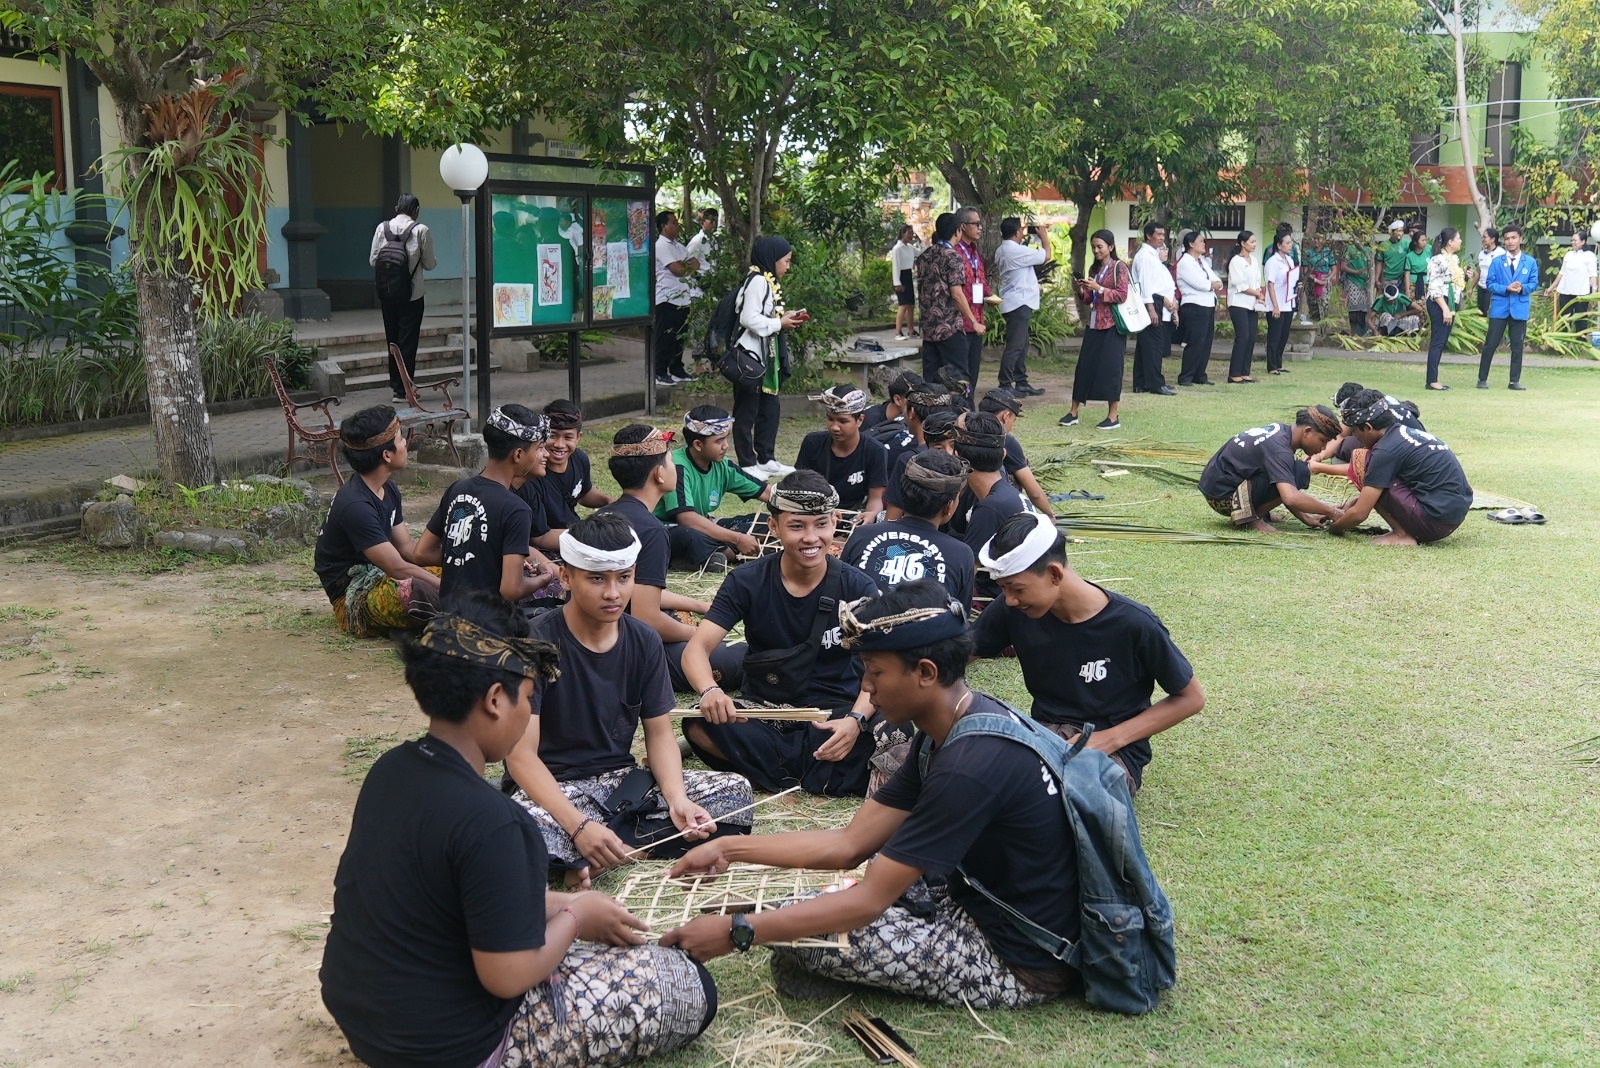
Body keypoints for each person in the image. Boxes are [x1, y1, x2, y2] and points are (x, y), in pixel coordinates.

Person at [662, 582, 1160, 1012]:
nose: (866, 689)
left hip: (1021, 958)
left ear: (925, 672)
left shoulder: (970, 764)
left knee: (806, 935)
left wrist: (737, 933)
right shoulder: (951, 723)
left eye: (875, 672)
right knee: (814, 906)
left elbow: (869, 901)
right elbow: (850, 844)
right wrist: (729, 849)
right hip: (984, 900)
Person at [320, 594, 717, 1068]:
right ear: (494, 700)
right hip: (447, 1048)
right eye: (528, 698)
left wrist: (569, 904)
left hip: (365, 1019)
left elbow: (450, 899)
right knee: (686, 983)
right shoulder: (498, 823)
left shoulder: (391, 770)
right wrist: (575, 920)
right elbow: (506, 976)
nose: (529, 711)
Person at [502, 513, 754, 887]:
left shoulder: (644, 640)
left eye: (624, 578)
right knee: (514, 826)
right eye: (597, 579)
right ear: (567, 577)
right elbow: (520, 756)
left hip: (623, 787)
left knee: (735, 791)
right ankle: (612, 846)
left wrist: (677, 799)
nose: (613, 593)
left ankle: (602, 854)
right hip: (554, 790)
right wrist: (578, 826)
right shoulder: (533, 643)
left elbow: (659, 734)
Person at [679, 471, 883, 797]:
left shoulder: (858, 586)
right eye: (797, 526)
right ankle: (816, 773)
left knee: (891, 729)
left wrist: (856, 720)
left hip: (836, 713)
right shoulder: (746, 580)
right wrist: (709, 691)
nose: (811, 537)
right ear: (774, 527)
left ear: (835, 522)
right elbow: (696, 650)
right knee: (700, 724)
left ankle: (769, 772)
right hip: (766, 711)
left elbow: (883, 666)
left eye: (821, 524)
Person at [973, 512, 1204, 792]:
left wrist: (1109, 739)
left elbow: (1191, 698)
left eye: (1016, 589)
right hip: (1043, 735)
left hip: (1113, 754)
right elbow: (957, 656)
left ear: (1054, 574)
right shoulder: (1013, 610)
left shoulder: (1133, 624)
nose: (1009, 599)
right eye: (1003, 589)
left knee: (1054, 797)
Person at [597, 425, 743, 692]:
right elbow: (647, 618)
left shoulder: (602, 516)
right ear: (659, 473)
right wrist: (704, 638)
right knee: (742, 657)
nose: (675, 465)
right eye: (670, 460)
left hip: (597, 635)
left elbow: (637, 593)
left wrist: (700, 605)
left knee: (684, 615)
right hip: (619, 652)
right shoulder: (651, 531)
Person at [313, 404, 440, 637]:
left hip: (385, 575)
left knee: (458, 571)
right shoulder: (355, 505)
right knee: (415, 590)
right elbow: (397, 566)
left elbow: (407, 550)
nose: (405, 445)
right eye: (401, 440)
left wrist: (463, 556)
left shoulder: (388, 488)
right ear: (387, 454)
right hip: (356, 595)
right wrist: (450, 588)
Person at [415, 405, 557, 608]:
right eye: (538, 449)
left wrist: (475, 560)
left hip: (448, 620)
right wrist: (545, 577)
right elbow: (511, 590)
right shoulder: (517, 509)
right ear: (518, 455)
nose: (545, 455)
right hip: (491, 625)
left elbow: (421, 553)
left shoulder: (457, 489)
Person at [1327, 397, 1472, 545]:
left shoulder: (1385, 450)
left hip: (1433, 522)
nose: (1355, 436)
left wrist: (1334, 528)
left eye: (1355, 431)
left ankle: (1401, 534)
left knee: (1361, 460)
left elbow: (1359, 514)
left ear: (1368, 427)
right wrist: (1351, 505)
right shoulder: (1402, 432)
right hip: (1451, 517)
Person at [842, 450, 975, 608]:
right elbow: (959, 617)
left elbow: (839, 593)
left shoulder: (862, 535)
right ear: (949, 506)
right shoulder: (961, 554)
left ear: (903, 493)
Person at [657, 406, 771, 570]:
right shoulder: (677, 466)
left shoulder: (722, 466)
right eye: (719, 441)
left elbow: (767, 492)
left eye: (726, 439)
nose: (725, 446)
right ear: (698, 444)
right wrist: (737, 538)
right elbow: (686, 519)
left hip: (705, 524)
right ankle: (718, 554)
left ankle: (719, 555)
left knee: (764, 523)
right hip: (671, 528)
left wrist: (799, 505)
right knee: (690, 537)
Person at [1197, 407, 1344, 533]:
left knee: (1293, 470)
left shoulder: (1281, 431)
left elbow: (1287, 487)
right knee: (1299, 471)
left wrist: (1305, 517)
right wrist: (1332, 511)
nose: (1323, 448)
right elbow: (1290, 496)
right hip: (1223, 497)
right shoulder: (1279, 450)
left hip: (1216, 488)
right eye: (1323, 440)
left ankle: (1257, 513)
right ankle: (1251, 519)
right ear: (1307, 431)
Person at [731, 235, 804, 477]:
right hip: (751, 358)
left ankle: (766, 458)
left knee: (769, 408)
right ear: (772, 259)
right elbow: (748, 318)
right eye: (785, 261)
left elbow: (766, 316)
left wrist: (784, 318)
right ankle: (747, 463)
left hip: (765, 358)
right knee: (746, 410)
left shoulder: (766, 281)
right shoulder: (758, 281)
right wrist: (778, 322)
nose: (787, 266)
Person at [951, 411, 1029, 601]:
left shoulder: (990, 509)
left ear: (957, 456)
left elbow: (967, 574)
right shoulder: (1005, 492)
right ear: (1002, 454)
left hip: (998, 600)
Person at [369, 194, 437, 403]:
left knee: (393, 340)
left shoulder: (382, 228)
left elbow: (373, 260)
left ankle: (396, 388)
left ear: (396, 208)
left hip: (387, 294)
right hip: (412, 295)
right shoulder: (421, 230)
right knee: (408, 341)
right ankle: (406, 389)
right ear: (416, 211)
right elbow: (430, 264)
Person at [1059, 229, 1129, 430]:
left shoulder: (1119, 267)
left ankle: (1113, 416)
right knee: (1084, 367)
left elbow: (1122, 295)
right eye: (1094, 247)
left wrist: (1098, 288)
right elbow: (1089, 299)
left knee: (1111, 369)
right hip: (1094, 323)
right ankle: (1073, 412)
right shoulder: (1094, 269)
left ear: (1111, 247)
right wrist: (1081, 288)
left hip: (1113, 325)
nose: (1096, 251)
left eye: (1100, 247)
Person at [525, 398, 613, 552]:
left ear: (579, 437)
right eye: (553, 435)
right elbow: (538, 537)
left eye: (568, 437)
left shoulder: (579, 459)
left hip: (574, 532)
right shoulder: (532, 475)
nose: (559, 444)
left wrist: (608, 501)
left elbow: (583, 493)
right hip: (550, 545)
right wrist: (589, 538)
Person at [794, 386, 890, 515]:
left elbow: (875, 499)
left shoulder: (875, 451)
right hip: (814, 513)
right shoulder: (812, 443)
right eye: (830, 419)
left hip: (852, 516)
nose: (834, 427)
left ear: (860, 420)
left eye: (843, 421)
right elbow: (798, 488)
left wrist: (871, 514)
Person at [916, 212, 981, 386]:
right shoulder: (953, 257)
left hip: (928, 327)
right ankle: (964, 412)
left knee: (931, 380)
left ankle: (929, 412)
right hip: (949, 326)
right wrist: (973, 321)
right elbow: (957, 294)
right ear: (958, 231)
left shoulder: (925, 256)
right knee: (960, 379)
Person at [1478, 224, 1540, 390]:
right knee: (1490, 344)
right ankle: (1482, 379)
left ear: (1520, 239)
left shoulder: (1530, 262)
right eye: (1507, 239)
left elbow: (1534, 283)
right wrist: (1506, 288)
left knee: (1517, 346)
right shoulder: (1497, 262)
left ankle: (1514, 381)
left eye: (1513, 238)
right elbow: (1490, 283)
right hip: (1500, 308)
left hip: (1519, 308)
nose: (1510, 241)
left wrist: (1522, 288)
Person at [994, 217, 1052, 396]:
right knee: (1015, 346)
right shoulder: (1016, 251)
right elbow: (1046, 255)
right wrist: (1044, 237)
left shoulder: (1001, 250)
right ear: (1017, 232)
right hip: (1020, 302)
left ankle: (1021, 381)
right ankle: (1005, 384)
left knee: (1021, 344)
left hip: (1014, 301)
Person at [979, 388, 1054, 515]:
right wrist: (1050, 514)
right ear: (1005, 416)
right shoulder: (1005, 440)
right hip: (997, 506)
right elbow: (1035, 493)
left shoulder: (965, 431)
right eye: (1013, 420)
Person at [653, 210, 701, 387]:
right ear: (664, 226)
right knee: (665, 338)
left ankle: (676, 369)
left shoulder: (679, 246)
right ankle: (658, 371)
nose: (677, 225)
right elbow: (678, 270)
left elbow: (696, 262)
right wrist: (686, 266)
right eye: (673, 222)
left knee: (679, 337)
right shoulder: (661, 246)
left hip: (683, 299)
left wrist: (685, 265)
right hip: (667, 298)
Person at [1130, 222, 1177, 395]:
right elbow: (1144, 284)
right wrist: (1150, 307)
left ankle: (1142, 382)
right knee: (1154, 344)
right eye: (1158, 234)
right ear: (1149, 236)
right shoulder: (1145, 256)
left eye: (1163, 235)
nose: (1162, 238)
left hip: (1154, 300)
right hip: (1149, 301)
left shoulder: (1153, 256)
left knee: (1146, 345)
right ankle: (1155, 383)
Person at [1176, 231, 1223, 386]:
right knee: (1195, 341)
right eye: (1201, 241)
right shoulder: (1185, 262)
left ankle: (1199, 374)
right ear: (1191, 244)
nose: (1204, 244)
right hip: (1194, 305)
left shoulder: (1201, 261)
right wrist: (1211, 285)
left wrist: (1213, 285)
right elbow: (1202, 284)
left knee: (1206, 342)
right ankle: (1186, 376)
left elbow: (1217, 280)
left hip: (1208, 304)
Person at [954, 207, 993, 389]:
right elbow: (955, 291)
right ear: (963, 227)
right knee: (960, 373)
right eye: (975, 224)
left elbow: (981, 280)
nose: (980, 228)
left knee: (973, 370)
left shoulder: (975, 252)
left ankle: (969, 409)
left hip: (977, 319)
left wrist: (991, 296)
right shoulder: (955, 253)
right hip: (960, 321)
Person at [1424, 228, 1466, 391]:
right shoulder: (1437, 260)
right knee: (1437, 341)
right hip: (1440, 302)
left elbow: (1453, 282)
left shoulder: (1452, 259)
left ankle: (1433, 379)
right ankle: (1432, 380)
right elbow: (1434, 288)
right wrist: (1445, 309)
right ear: (1450, 242)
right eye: (1458, 238)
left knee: (1441, 342)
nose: (1460, 241)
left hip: (1449, 301)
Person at [1226, 230, 1263, 383]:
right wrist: (1257, 293)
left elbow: (1256, 282)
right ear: (1243, 243)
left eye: (1255, 242)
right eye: (1251, 242)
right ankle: (1234, 373)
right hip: (1238, 303)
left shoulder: (1254, 260)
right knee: (1243, 337)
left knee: (1251, 337)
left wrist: (1259, 295)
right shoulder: (1236, 261)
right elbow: (1240, 285)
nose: (1254, 244)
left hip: (1252, 304)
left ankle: (1245, 371)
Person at [1263, 230, 1300, 375]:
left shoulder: (1290, 260)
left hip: (1288, 302)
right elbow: (1270, 284)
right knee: (1274, 336)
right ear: (1279, 245)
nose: (1290, 245)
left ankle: (1278, 363)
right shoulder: (1273, 262)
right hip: (1276, 303)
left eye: (1291, 242)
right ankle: (1271, 365)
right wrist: (1275, 306)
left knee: (1284, 335)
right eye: (1287, 243)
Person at [1549, 230, 1597, 334]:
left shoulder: (1590, 256)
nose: (1573, 242)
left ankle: (1581, 343)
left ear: (1583, 241)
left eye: (1575, 240)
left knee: (1581, 319)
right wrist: (1551, 288)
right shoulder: (1568, 255)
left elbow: (1593, 275)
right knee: (1564, 319)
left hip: (1581, 293)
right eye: (1572, 240)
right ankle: (1563, 343)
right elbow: (1561, 273)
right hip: (1565, 291)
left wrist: (1594, 292)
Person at [890, 224, 921, 340]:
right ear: (903, 233)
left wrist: (919, 241)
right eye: (909, 233)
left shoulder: (910, 247)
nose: (911, 235)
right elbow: (896, 267)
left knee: (911, 305)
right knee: (903, 305)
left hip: (908, 275)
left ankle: (911, 330)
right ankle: (898, 332)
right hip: (901, 276)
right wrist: (897, 283)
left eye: (912, 233)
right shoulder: (897, 249)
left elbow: (922, 252)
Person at [1342, 238, 1373, 335]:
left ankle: (1363, 333)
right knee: (1354, 309)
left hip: (1365, 283)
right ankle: (1353, 333)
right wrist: (1356, 272)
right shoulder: (1350, 249)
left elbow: (1371, 266)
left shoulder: (1368, 250)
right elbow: (1343, 266)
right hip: (1353, 281)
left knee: (1364, 309)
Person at [1304, 232, 1337, 323]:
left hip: (1325, 281)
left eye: (1318, 239)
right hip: (1312, 282)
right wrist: (1314, 279)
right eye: (1315, 238)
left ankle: (1324, 332)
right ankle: (1314, 331)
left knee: (1324, 307)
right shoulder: (1309, 253)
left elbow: (1334, 269)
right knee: (1313, 307)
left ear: (1323, 240)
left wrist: (1328, 279)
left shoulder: (1328, 252)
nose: (1316, 241)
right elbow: (1305, 271)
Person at [1474, 227, 1505, 316]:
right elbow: (1479, 272)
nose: (1482, 239)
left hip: (1491, 288)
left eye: (1485, 237)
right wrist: (1471, 288)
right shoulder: (1481, 253)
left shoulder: (1501, 253)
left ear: (1492, 239)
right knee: (1480, 313)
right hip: (1481, 287)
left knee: (1488, 313)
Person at [1379, 219, 1409, 296]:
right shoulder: (1383, 245)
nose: (1401, 233)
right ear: (1391, 232)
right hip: (1388, 279)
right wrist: (1377, 280)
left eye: (1402, 231)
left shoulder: (1406, 244)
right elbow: (1379, 263)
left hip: (1401, 280)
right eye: (1398, 231)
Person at [685, 207, 718, 275]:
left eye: (715, 221)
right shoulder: (697, 241)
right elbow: (687, 261)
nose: (714, 224)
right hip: (701, 280)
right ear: (702, 223)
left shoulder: (713, 240)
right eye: (711, 221)